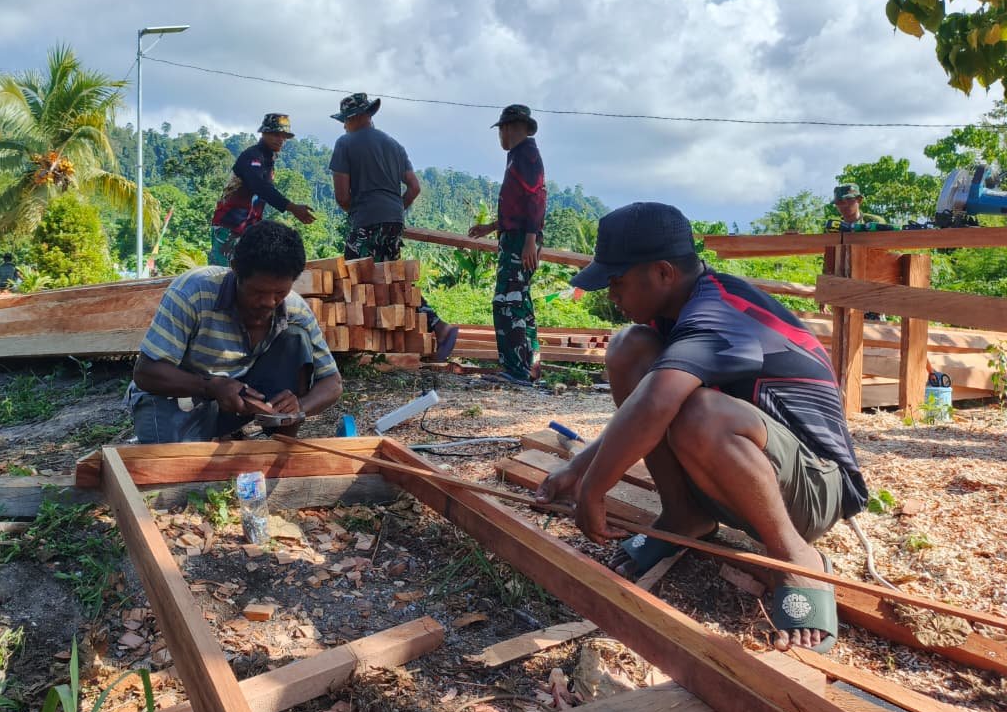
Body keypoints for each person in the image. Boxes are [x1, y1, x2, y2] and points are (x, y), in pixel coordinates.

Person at [537, 202, 868, 654]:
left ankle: (796, 558)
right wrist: (578, 468)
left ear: (663, 273)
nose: (611, 295)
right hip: (755, 478)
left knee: (699, 413)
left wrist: (594, 490)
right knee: (630, 348)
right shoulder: (675, 313)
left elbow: (657, 405)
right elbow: (642, 406)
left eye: (617, 282)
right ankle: (685, 515)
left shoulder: (718, 314)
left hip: (814, 490)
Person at [127, 220, 343, 443]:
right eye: (257, 291)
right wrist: (210, 386)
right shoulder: (192, 293)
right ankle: (208, 435)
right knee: (176, 468)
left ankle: (279, 445)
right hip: (174, 398)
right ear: (236, 270)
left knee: (295, 338)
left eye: (280, 292)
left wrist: (299, 408)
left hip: (233, 402)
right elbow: (146, 372)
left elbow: (332, 383)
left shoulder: (295, 309)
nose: (269, 302)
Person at [327, 92, 458, 358]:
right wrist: (395, 208)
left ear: (354, 118)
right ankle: (437, 326)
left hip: (366, 220)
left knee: (354, 280)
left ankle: (350, 350)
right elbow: (414, 187)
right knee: (393, 280)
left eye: (345, 120)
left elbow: (341, 196)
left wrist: (359, 212)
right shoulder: (395, 146)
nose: (343, 126)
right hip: (394, 221)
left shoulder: (345, 143)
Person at [468, 105, 546, 383]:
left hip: (520, 241)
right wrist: (490, 227)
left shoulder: (526, 155)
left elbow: (536, 199)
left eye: (501, 129)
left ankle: (515, 369)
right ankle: (530, 368)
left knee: (507, 301)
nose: (500, 135)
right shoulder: (518, 156)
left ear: (511, 127)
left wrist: (529, 241)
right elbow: (517, 208)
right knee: (521, 301)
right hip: (515, 236)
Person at [208, 113, 316, 265]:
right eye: (275, 134)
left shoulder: (268, 159)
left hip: (249, 230)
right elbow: (260, 187)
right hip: (229, 227)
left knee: (248, 276)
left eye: (284, 136)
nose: (281, 139)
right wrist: (292, 207)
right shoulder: (253, 156)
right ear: (264, 133)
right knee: (223, 276)